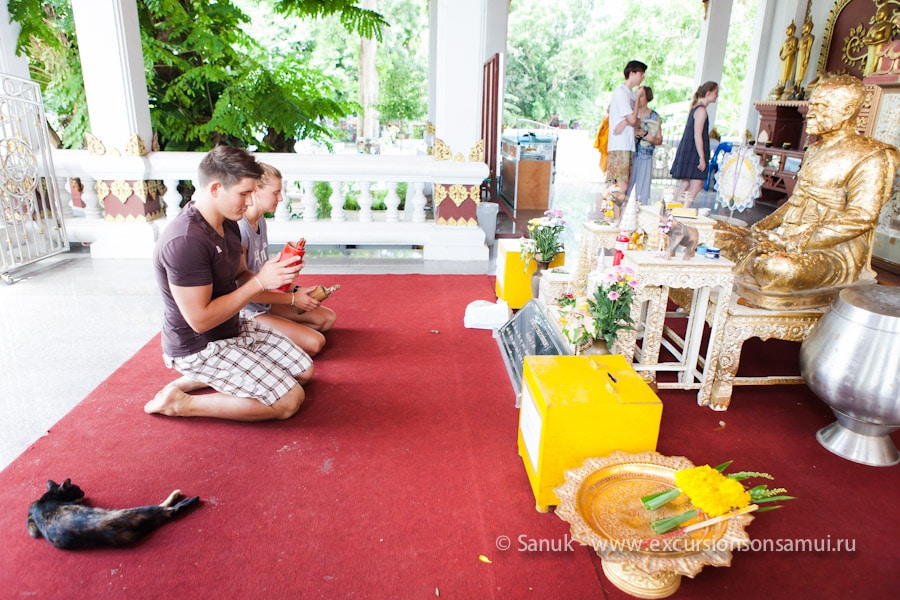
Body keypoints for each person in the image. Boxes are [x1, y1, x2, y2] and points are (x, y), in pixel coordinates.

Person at [146, 145, 314, 421]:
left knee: (303, 371)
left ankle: (196, 380)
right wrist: (260, 283)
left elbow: (240, 276)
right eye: (244, 193)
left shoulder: (228, 222)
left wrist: (277, 277)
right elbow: (200, 320)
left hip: (232, 328)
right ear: (215, 189)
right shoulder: (186, 241)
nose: (250, 202)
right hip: (199, 346)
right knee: (289, 400)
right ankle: (181, 403)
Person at [715, 75, 899, 311]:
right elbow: (796, 202)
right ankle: (754, 262)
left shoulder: (871, 155)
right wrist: (761, 227)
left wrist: (796, 240)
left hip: (832, 252)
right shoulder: (815, 149)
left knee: (778, 269)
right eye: (812, 105)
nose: (810, 113)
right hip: (787, 238)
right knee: (718, 234)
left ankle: (758, 266)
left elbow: (861, 217)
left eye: (821, 107)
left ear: (847, 111)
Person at [239, 163, 336, 357]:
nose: (280, 198)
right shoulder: (240, 228)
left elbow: (263, 277)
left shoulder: (260, 222)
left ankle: (274, 332)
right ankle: (246, 343)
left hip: (263, 302)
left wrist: (294, 287)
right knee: (315, 343)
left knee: (326, 319)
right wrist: (293, 299)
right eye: (275, 193)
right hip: (245, 310)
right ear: (256, 191)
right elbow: (245, 289)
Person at [669, 81, 718, 208]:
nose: (717, 96)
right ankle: (682, 212)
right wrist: (702, 157)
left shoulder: (696, 108)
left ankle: (672, 212)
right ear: (708, 93)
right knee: (696, 186)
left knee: (686, 184)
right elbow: (698, 135)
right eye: (716, 92)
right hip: (694, 152)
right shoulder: (701, 110)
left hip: (690, 150)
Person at [606, 60, 647, 206]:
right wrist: (629, 118)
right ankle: (613, 219)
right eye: (641, 74)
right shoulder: (621, 91)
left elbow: (637, 121)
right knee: (618, 186)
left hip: (627, 144)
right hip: (620, 143)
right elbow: (632, 118)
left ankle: (614, 219)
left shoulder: (629, 93)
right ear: (632, 73)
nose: (643, 77)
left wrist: (626, 122)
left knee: (621, 185)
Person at [625, 85, 662, 204]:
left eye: (641, 96)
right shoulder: (630, 113)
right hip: (630, 155)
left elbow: (659, 139)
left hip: (646, 156)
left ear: (647, 98)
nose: (638, 99)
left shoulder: (654, 116)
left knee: (642, 190)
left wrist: (649, 138)